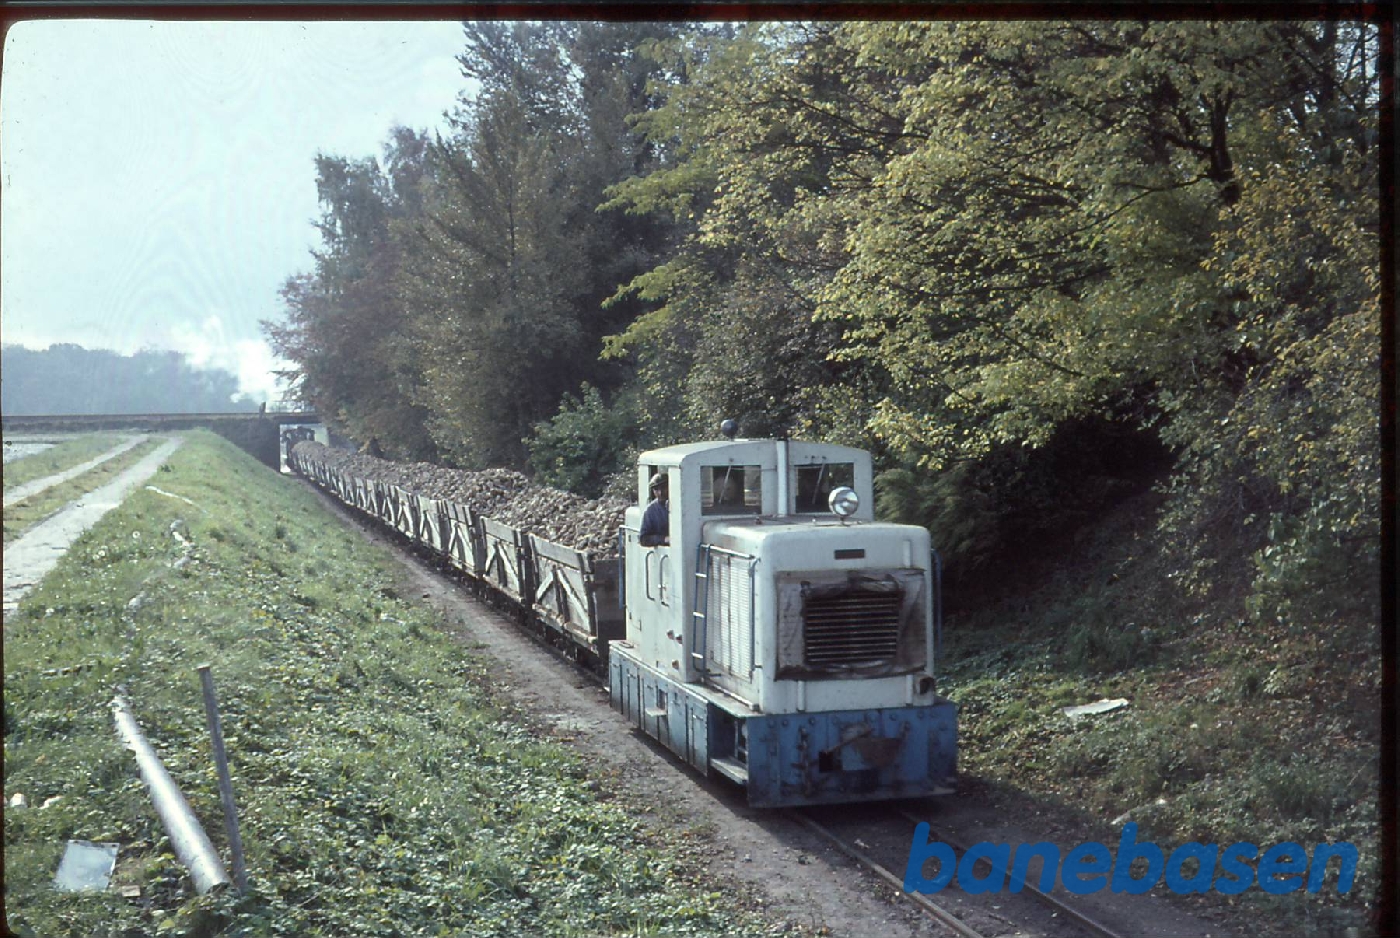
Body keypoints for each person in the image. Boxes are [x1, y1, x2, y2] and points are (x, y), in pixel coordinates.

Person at [639, 473, 670, 546]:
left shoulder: (680, 505)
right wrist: (663, 539)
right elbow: (643, 539)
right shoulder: (651, 510)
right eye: (656, 489)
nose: (660, 492)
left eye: (663, 488)